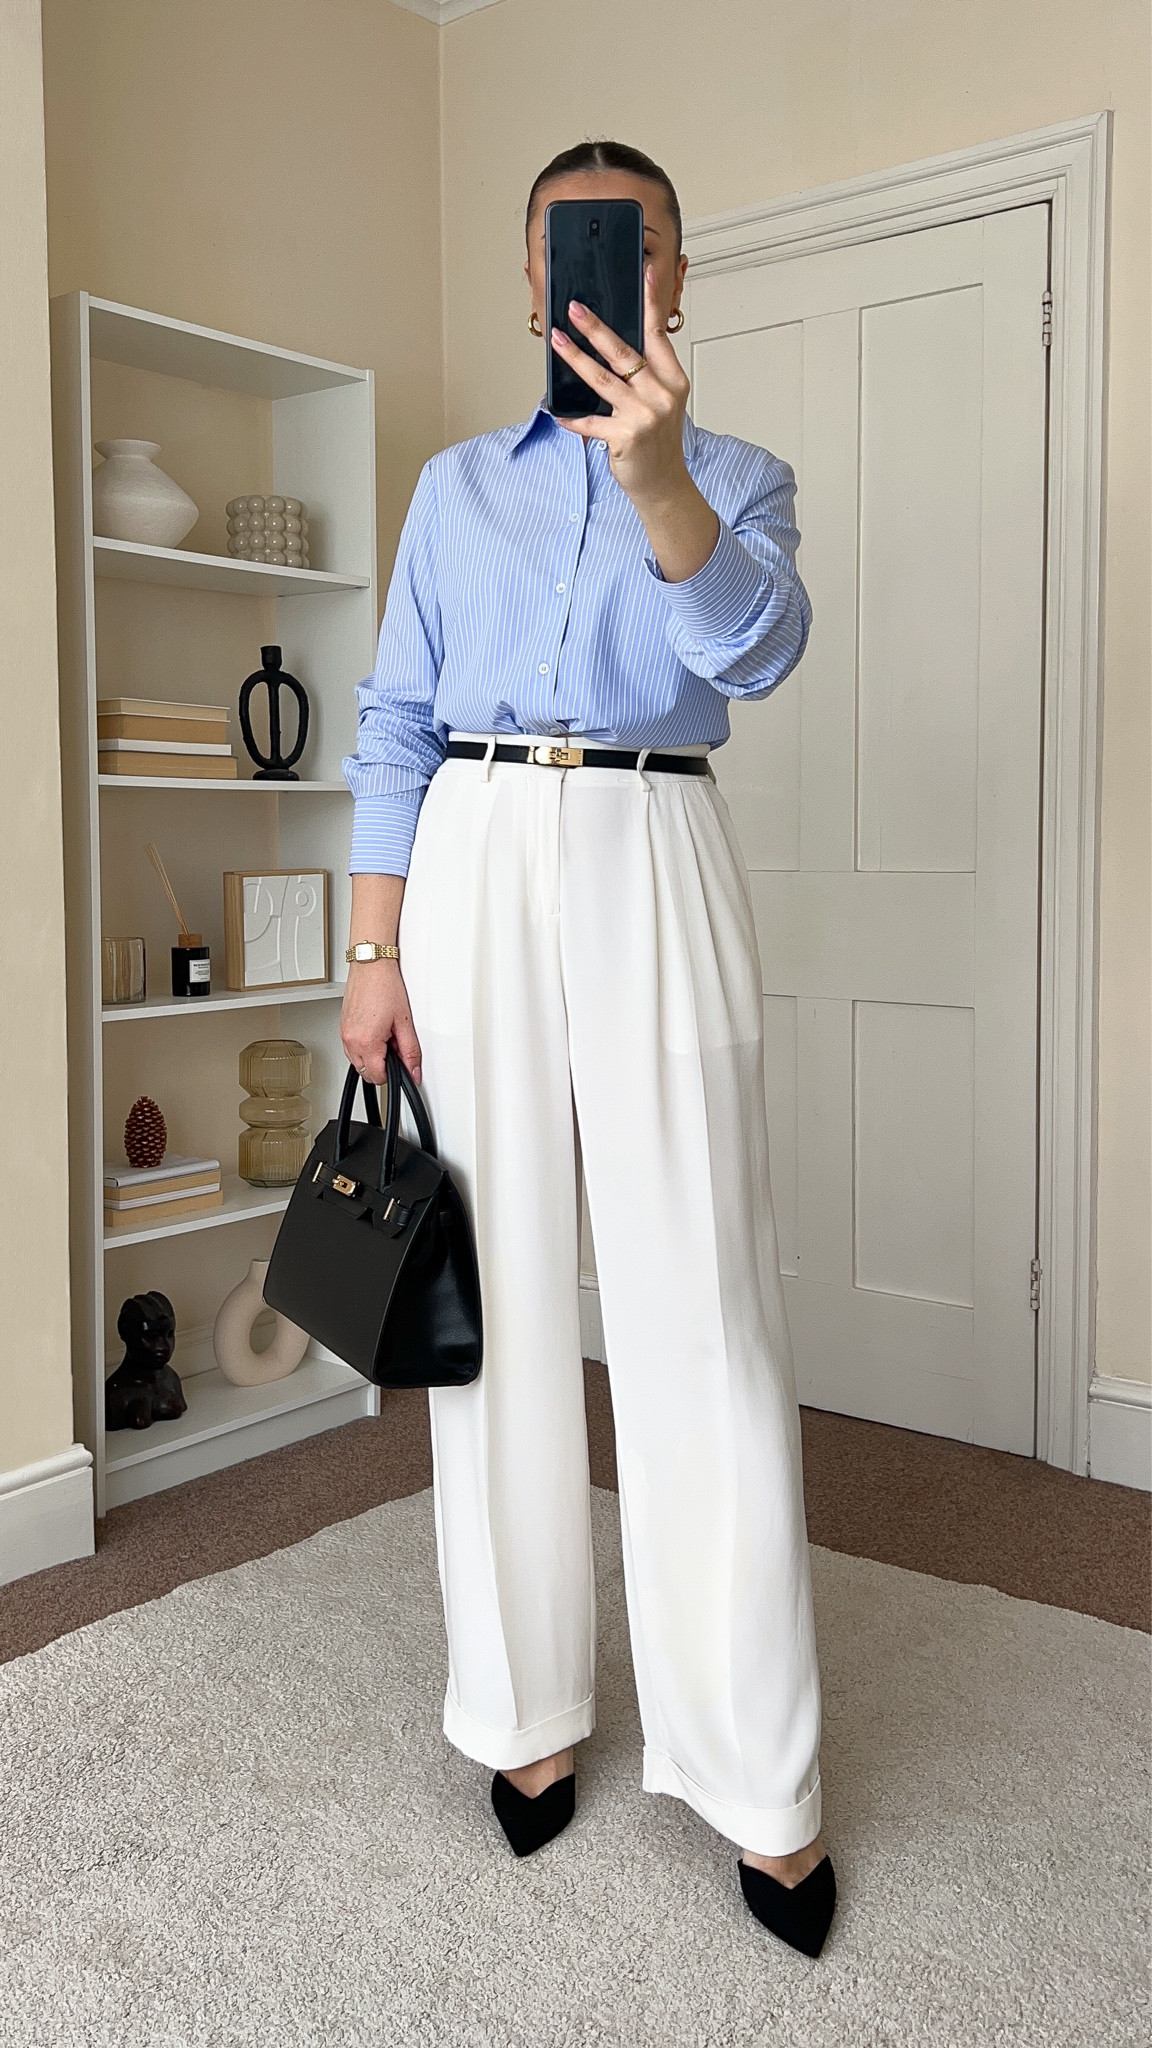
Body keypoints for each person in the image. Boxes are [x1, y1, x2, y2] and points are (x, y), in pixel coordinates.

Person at [340, 139, 836, 1960]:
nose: (600, 284)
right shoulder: (452, 489)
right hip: (468, 853)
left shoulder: (740, 478)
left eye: (628, 255)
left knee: (700, 1303)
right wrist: (373, 952)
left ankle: (759, 1783)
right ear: (530, 286)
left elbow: (760, 650)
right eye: (564, 259)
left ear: (675, 279)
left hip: (652, 833)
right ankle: (526, 1708)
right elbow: (395, 715)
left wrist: (661, 483)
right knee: (503, 1308)